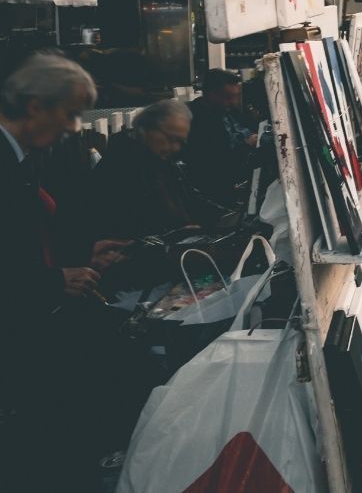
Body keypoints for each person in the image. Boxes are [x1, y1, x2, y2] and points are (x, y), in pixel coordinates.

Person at [1, 54, 159, 491]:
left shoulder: (21, 157)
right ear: (35, 106)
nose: (74, 127)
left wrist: (82, 258)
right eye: (69, 113)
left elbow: (22, 246)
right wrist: (55, 280)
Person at [93, 98, 209, 240]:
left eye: (180, 142)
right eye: (171, 139)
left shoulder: (165, 164)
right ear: (147, 129)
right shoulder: (118, 168)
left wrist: (230, 217)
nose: (175, 148)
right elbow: (123, 231)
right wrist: (173, 237)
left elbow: (196, 202)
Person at [184, 69, 258, 209]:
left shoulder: (229, 111)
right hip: (217, 189)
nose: (234, 102)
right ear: (211, 95)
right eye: (229, 97)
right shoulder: (196, 119)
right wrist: (247, 145)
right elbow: (212, 162)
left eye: (236, 96)